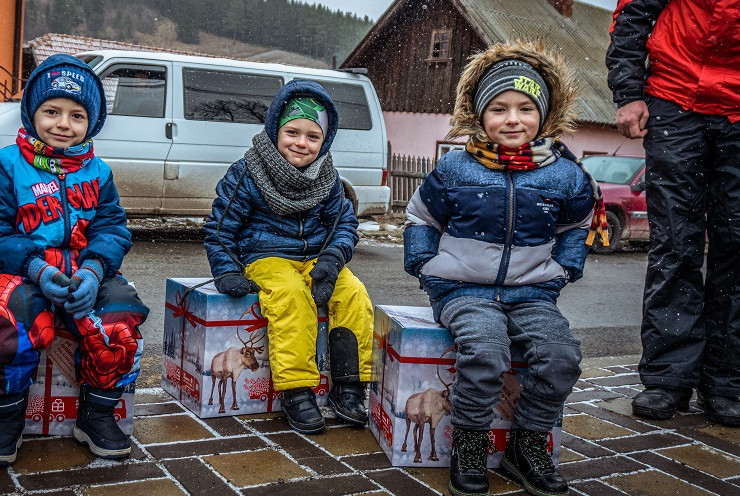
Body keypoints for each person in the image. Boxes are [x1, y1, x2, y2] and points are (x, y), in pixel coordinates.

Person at [404, 41, 608, 496]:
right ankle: (471, 444)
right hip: (463, 289)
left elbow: (577, 224)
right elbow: (422, 217)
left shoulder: (564, 174)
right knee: (485, 352)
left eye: (524, 108)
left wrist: (563, 268)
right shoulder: (456, 168)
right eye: (498, 108)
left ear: (545, 114)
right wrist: (426, 263)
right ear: (480, 116)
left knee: (561, 357)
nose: (512, 119)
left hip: (533, 292)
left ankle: (528, 444)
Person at [0, 54, 149, 466]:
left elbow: (113, 229)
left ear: (91, 122)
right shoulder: (6, 164)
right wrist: (34, 267)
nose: (63, 123)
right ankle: (4, 420)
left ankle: (96, 414)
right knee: (4, 320)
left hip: (83, 271)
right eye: (52, 111)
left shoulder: (98, 171)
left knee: (119, 317)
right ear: (32, 114)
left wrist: (95, 269)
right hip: (20, 269)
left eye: (77, 115)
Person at [202, 80, 373, 435]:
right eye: (292, 132)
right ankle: (296, 391)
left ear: (324, 141)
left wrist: (331, 260)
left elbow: (344, 224)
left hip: (315, 258)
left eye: (313, 136)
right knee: (292, 296)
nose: (301, 143)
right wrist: (226, 272)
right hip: (266, 257)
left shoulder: (328, 178)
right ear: (275, 129)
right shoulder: (248, 172)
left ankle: (350, 386)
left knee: (353, 293)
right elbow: (219, 227)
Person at [606, 0, 739, 428]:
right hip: (675, 101)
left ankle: (727, 380)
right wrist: (629, 93)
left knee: (736, 246)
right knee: (675, 243)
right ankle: (668, 377)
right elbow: (631, 17)